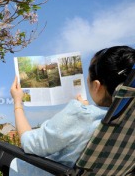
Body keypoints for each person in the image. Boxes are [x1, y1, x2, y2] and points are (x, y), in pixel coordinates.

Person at [9, 45, 135, 176]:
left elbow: (30, 144)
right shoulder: (129, 122)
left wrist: (17, 102)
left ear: (97, 86)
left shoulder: (81, 115)